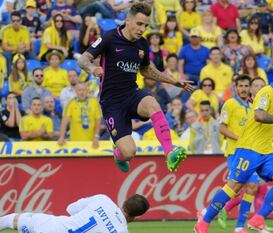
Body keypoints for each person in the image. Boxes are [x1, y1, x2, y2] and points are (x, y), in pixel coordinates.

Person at [77, 2, 194, 172]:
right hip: (112, 103)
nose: (142, 29)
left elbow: (146, 70)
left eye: (145, 25)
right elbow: (83, 59)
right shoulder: (109, 37)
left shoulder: (142, 44)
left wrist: (174, 81)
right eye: (139, 24)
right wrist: (92, 68)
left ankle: (169, 152)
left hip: (132, 94)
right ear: (128, 20)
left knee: (153, 104)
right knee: (129, 152)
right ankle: (118, 153)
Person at [194, 63, 273, 233]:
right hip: (249, 149)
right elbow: (259, 115)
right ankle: (204, 222)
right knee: (233, 188)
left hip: (266, 150)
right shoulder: (267, 92)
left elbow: (261, 121)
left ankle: (257, 219)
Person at [216, 75, 260, 232]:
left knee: (252, 187)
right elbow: (221, 128)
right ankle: (214, 211)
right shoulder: (229, 104)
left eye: (246, 86)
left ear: (249, 88)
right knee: (237, 188)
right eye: (240, 86)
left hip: (250, 153)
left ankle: (238, 225)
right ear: (235, 88)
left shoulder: (252, 106)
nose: (243, 89)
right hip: (235, 152)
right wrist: (240, 138)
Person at [0, 193, 149, 233]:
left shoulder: (103, 200)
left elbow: (71, 209)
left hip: (49, 227)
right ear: (135, 217)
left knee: (10, 220)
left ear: (124, 202)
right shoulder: (121, 231)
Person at [58, 82, 101, 147]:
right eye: (79, 90)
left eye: (84, 90)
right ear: (75, 91)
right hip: (75, 142)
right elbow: (64, 121)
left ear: (87, 91)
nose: (82, 92)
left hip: (91, 142)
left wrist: (96, 137)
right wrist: (61, 137)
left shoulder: (94, 102)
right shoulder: (71, 103)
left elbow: (98, 121)